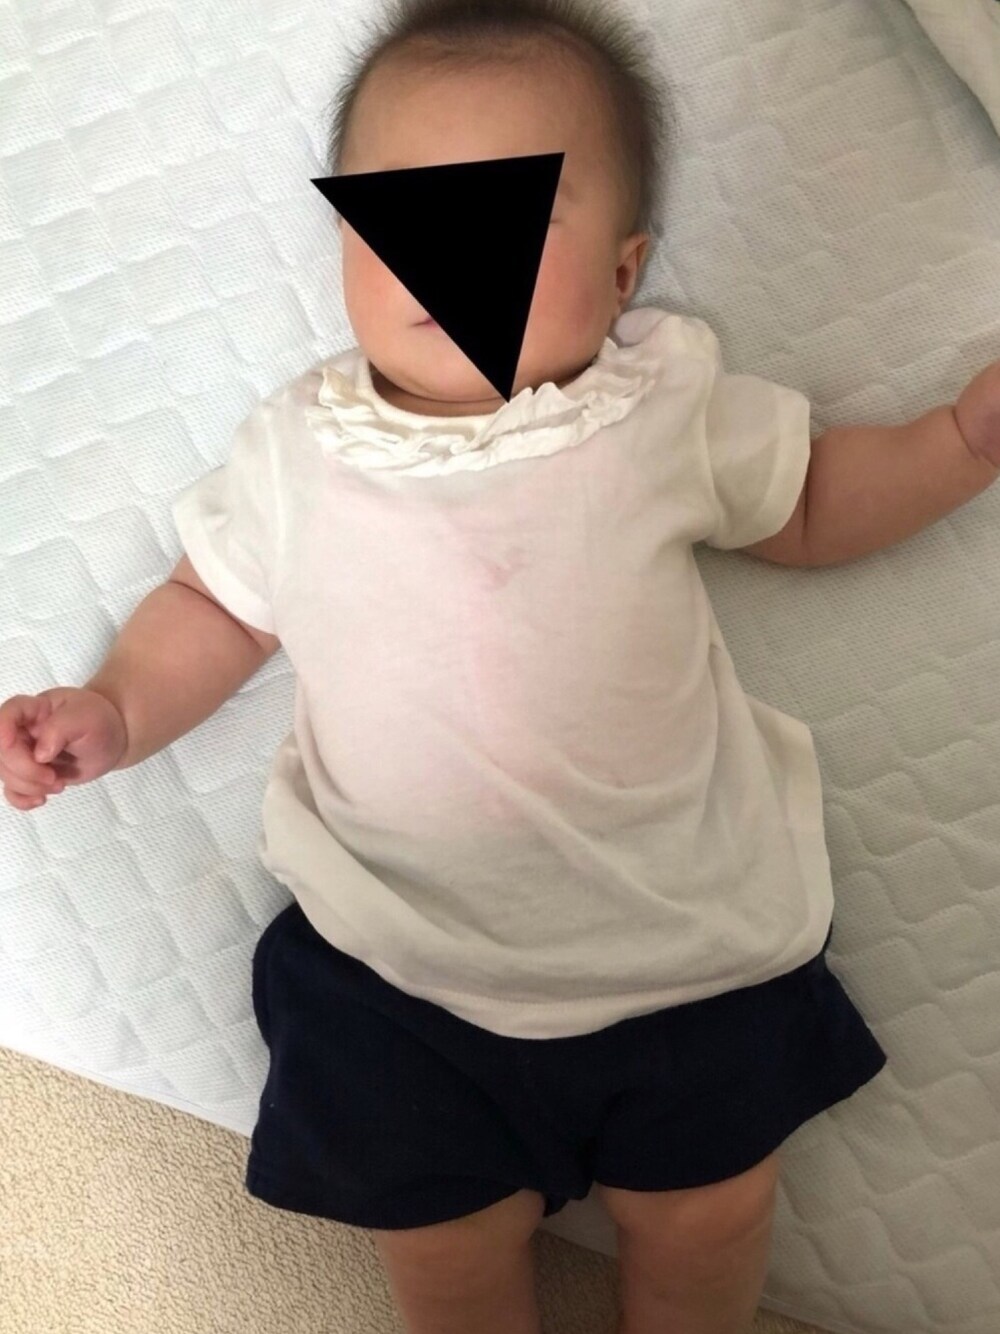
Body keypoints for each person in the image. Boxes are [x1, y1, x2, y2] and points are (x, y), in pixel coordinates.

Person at [3, 2, 999, 1332]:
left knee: (710, 1214)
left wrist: (957, 445)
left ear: (625, 272)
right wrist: (118, 708)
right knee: (442, 1241)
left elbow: (811, 498)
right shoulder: (299, 451)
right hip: (401, 970)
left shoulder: (654, 405)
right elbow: (212, 605)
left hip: (682, 955)